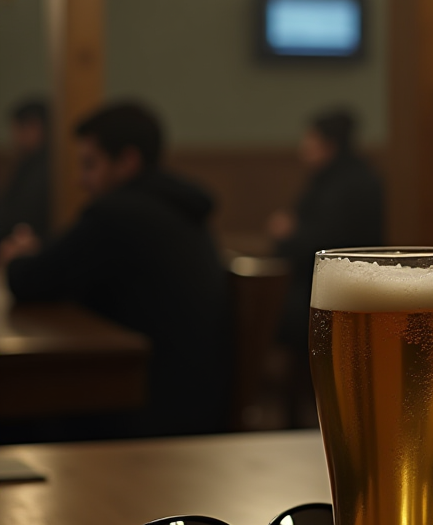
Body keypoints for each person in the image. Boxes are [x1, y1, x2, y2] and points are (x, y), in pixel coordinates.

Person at [2, 102, 229, 438]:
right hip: (197, 404)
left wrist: (16, 256)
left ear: (127, 161)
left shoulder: (118, 215)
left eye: (90, 165)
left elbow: (30, 281)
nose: (82, 180)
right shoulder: (178, 210)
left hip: (149, 414)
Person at [269, 108, 383, 356]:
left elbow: (327, 245)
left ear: (329, 145)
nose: (303, 147)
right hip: (338, 288)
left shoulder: (344, 185)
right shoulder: (344, 177)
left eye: (310, 140)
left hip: (340, 294)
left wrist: (289, 234)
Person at [0, 98, 50, 242]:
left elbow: (21, 213)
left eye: (16, 130)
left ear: (33, 126)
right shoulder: (31, 161)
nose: (14, 138)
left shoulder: (42, 164)